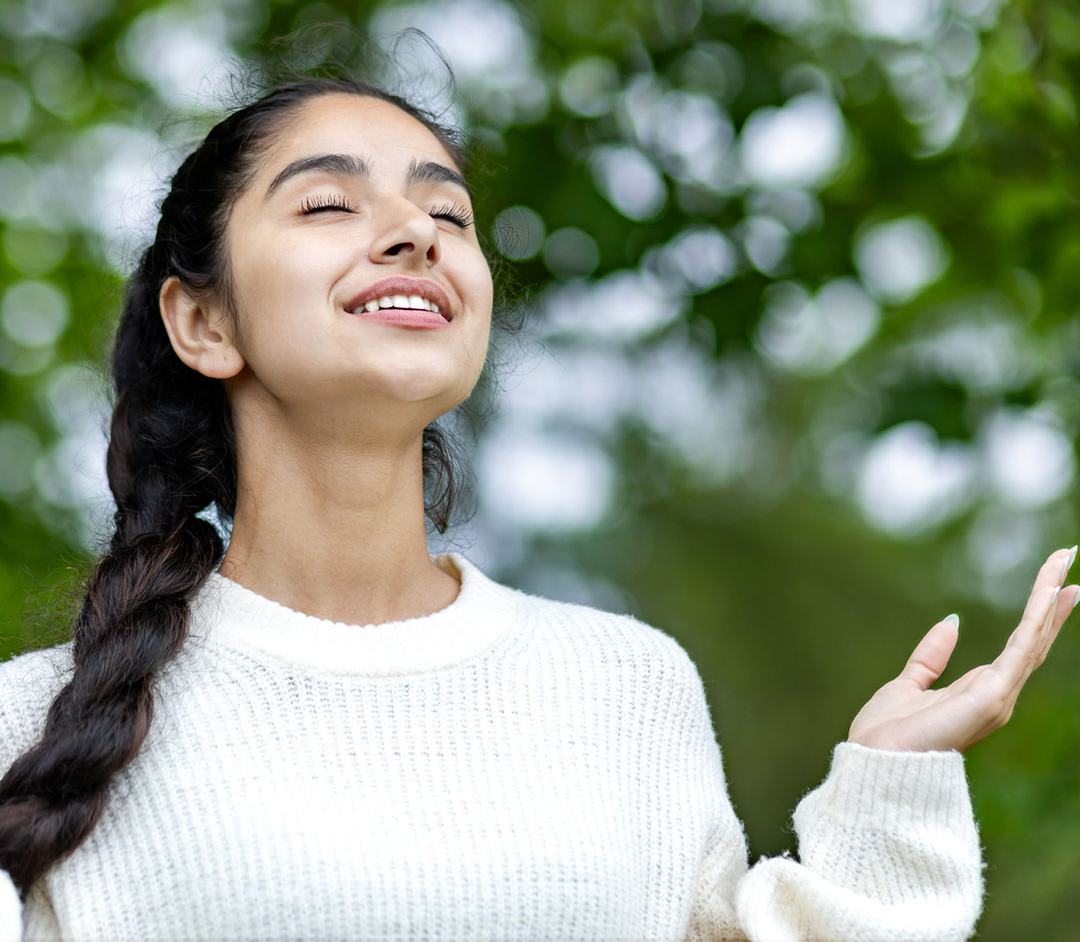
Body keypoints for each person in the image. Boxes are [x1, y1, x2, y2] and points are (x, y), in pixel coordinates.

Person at [0, 72, 1074, 942]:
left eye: (447, 213)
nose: (413, 233)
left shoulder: (625, 687)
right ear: (201, 322)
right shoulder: (33, 726)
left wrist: (889, 790)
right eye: (329, 203)